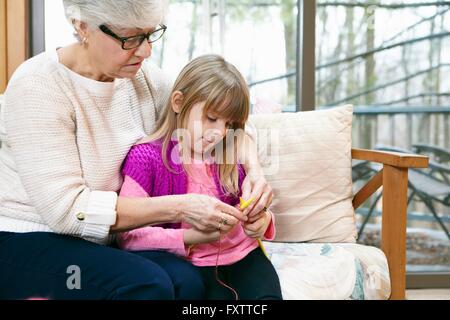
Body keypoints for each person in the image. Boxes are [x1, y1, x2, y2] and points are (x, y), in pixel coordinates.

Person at [0, 0, 273, 300]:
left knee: (187, 283)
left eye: (149, 34)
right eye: (130, 38)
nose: (145, 51)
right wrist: (183, 206)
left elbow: (222, 124)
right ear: (82, 26)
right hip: (27, 239)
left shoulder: (143, 79)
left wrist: (255, 175)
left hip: (100, 241)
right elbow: (69, 212)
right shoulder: (38, 85)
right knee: (147, 284)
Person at [117, 54, 282, 300]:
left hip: (247, 257)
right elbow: (127, 236)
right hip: (194, 265)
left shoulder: (230, 154)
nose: (219, 132)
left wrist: (263, 220)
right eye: (211, 118)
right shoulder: (146, 158)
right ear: (178, 102)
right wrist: (190, 237)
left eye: (228, 123)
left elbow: (256, 211)